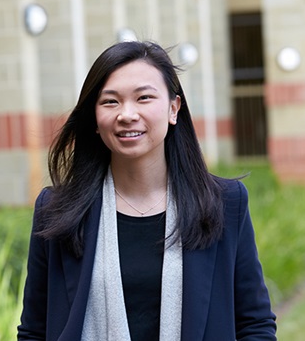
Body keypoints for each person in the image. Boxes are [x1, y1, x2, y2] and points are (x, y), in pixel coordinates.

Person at [17, 40, 277, 340]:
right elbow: (34, 330)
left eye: (144, 98)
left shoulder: (224, 204)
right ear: (95, 119)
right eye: (110, 101)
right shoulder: (57, 211)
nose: (127, 114)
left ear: (173, 108)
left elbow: (255, 324)